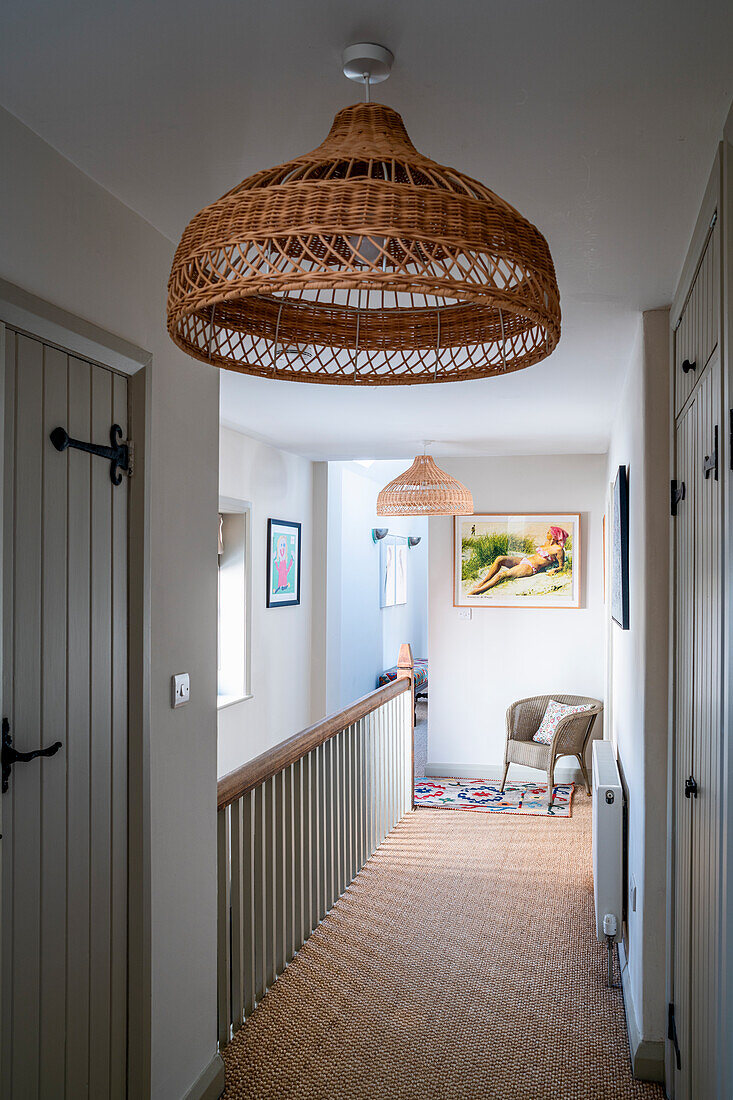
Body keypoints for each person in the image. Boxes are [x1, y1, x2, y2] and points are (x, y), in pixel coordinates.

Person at [468, 526, 569, 595]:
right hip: (525, 560)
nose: (546, 533)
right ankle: (484, 581)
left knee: (501, 575)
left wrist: (555, 570)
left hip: (530, 568)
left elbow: (561, 565)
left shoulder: (558, 550)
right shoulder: (546, 543)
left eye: (549, 532)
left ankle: (478, 591)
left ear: (554, 535)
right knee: (499, 559)